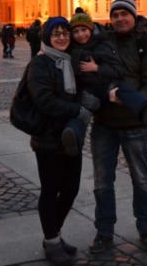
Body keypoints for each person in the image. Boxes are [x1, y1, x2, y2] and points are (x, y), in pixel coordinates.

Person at [90, 0, 147, 254]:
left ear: (133, 15)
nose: (119, 18)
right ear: (110, 19)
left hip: (134, 123)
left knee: (141, 179)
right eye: (115, 15)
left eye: (124, 14)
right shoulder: (101, 43)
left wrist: (133, 104)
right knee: (102, 182)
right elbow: (82, 65)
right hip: (103, 124)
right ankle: (104, 232)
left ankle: (146, 229)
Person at [27, 16, 90, 266]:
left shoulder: (70, 62)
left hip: (70, 138)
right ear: (47, 38)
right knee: (50, 190)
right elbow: (44, 102)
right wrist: (77, 111)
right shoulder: (40, 64)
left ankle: (54, 235)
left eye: (65, 33)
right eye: (56, 34)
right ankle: (52, 240)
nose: (62, 37)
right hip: (48, 139)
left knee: (71, 189)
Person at [62, 12, 147, 157]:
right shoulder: (71, 48)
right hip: (87, 92)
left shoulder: (101, 45)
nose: (80, 34)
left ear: (90, 30)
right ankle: (73, 139)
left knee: (122, 89)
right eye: (76, 31)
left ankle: (144, 109)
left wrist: (96, 68)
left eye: (84, 30)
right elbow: (57, 50)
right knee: (81, 113)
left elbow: (117, 70)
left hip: (105, 86)